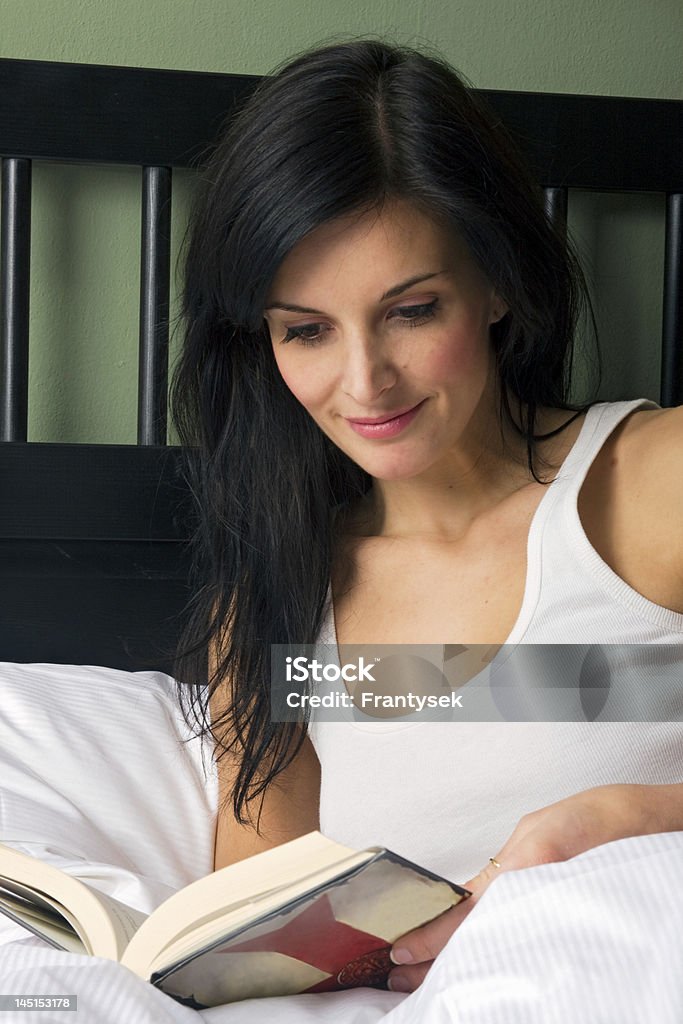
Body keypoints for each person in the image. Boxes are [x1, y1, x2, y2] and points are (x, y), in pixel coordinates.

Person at [170, 38, 683, 995]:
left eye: (411, 310)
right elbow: (256, 949)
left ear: (495, 283)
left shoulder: (651, 484)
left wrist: (623, 817)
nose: (364, 383)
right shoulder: (275, 597)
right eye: (305, 330)